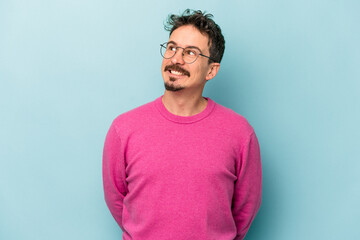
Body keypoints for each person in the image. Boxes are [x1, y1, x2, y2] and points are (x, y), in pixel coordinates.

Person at [103, 9, 262, 240]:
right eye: (172, 48)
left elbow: (246, 207)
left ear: (211, 70)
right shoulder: (123, 129)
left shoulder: (239, 133)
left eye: (190, 53)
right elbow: (117, 200)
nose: (176, 59)